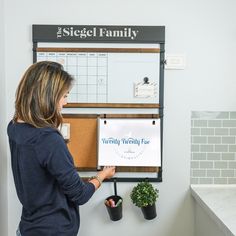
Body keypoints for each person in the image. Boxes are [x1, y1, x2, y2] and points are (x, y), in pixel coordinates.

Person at [7, 61, 116, 236]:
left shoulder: (14, 127)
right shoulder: (48, 139)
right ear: (48, 96)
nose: (66, 102)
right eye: (64, 96)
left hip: (27, 228)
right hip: (54, 231)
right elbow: (80, 195)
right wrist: (102, 175)